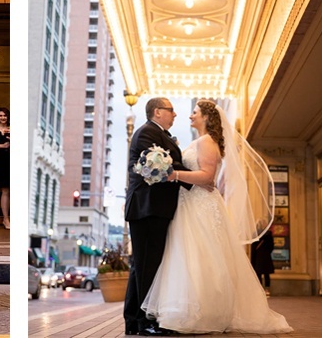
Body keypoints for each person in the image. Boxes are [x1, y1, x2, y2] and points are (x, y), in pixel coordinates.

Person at [140, 100, 290, 334]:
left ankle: (207, 312)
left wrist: (172, 174)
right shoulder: (200, 141)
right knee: (188, 258)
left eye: (195, 113)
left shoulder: (207, 142)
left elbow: (207, 177)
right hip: (189, 204)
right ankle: (190, 310)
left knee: (202, 258)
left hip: (201, 206)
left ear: (207, 118)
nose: (190, 116)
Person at [122, 97, 191, 336]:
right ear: (158, 112)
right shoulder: (147, 133)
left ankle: (133, 321)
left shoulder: (158, 133)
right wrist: (199, 178)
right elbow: (158, 168)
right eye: (172, 111)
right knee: (147, 266)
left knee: (140, 266)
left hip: (152, 208)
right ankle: (145, 323)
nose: (175, 115)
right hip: (147, 208)